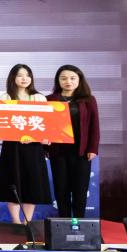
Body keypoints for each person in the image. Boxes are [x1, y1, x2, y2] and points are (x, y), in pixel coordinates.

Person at [0, 64, 53, 224]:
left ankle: (27, 222)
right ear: (13, 78)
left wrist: (36, 137)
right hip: (13, 147)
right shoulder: (5, 98)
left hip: (34, 147)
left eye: (27, 75)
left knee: (32, 183)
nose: (24, 78)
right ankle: (16, 221)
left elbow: (46, 123)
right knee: (13, 181)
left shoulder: (39, 98)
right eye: (20, 75)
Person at [47, 65, 100, 218]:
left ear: (79, 80)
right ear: (58, 80)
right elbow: (45, 125)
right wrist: (45, 147)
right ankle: (64, 222)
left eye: (72, 78)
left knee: (80, 189)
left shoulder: (88, 100)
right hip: (58, 151)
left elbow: (94, 125)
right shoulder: (50, 99)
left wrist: (93, 148)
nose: (68, 81)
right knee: (61, 189)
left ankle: (78, 222)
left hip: (81, 151)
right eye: (63, 78)